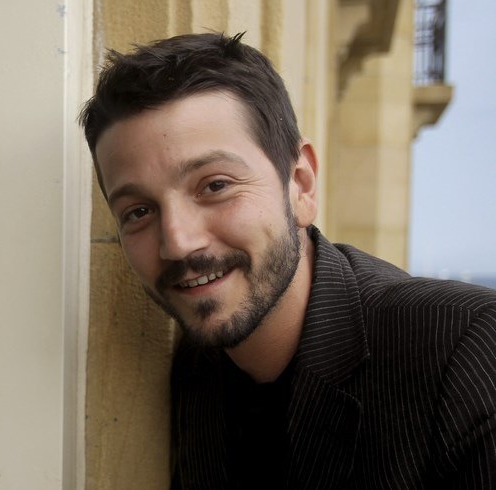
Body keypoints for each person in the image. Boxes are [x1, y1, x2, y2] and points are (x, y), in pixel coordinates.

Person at [79, 32, 496, 489]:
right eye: (138, 212)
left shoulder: (468, 349)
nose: (177, 244)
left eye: (215, 185)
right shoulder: (195, 368)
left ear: (300, 185)